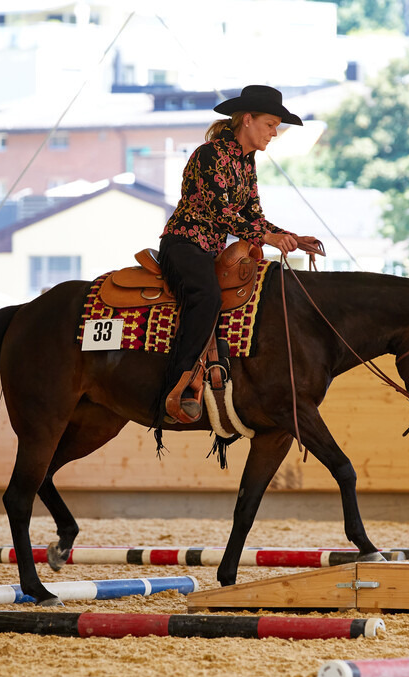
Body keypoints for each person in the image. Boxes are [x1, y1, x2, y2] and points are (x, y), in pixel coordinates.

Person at [156, 85, 318, 425]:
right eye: (270, 124)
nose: (274, 133)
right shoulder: (210, 155)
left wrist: (289, 237)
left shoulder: (247, 163)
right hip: (185, 244)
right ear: (247, 119)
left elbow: (252, 216)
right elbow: (222, 214)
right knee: (207, 297)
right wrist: (269, 238)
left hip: (209, 249)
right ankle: (179, 384)